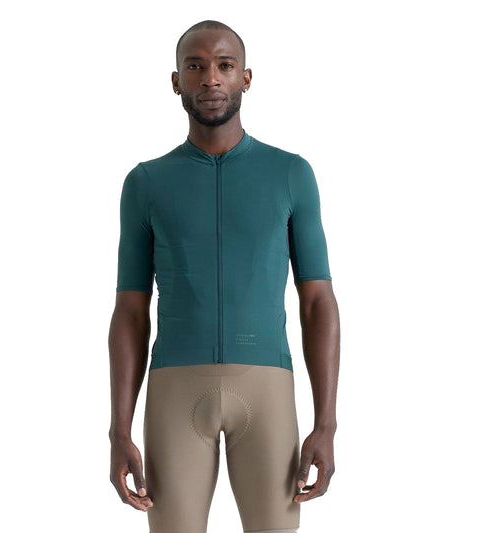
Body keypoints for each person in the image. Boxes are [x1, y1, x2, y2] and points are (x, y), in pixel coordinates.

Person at [108, 19, 340, 533]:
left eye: (224, 65)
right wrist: (119, 430)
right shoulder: (146, 183)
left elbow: (318, 302)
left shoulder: (290, 174)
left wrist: (326, 423)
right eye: (195, 66)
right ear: (176, 82)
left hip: (267, 390)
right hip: (174, 391)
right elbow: (130, 311)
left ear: (246, 78)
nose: (210, 78)